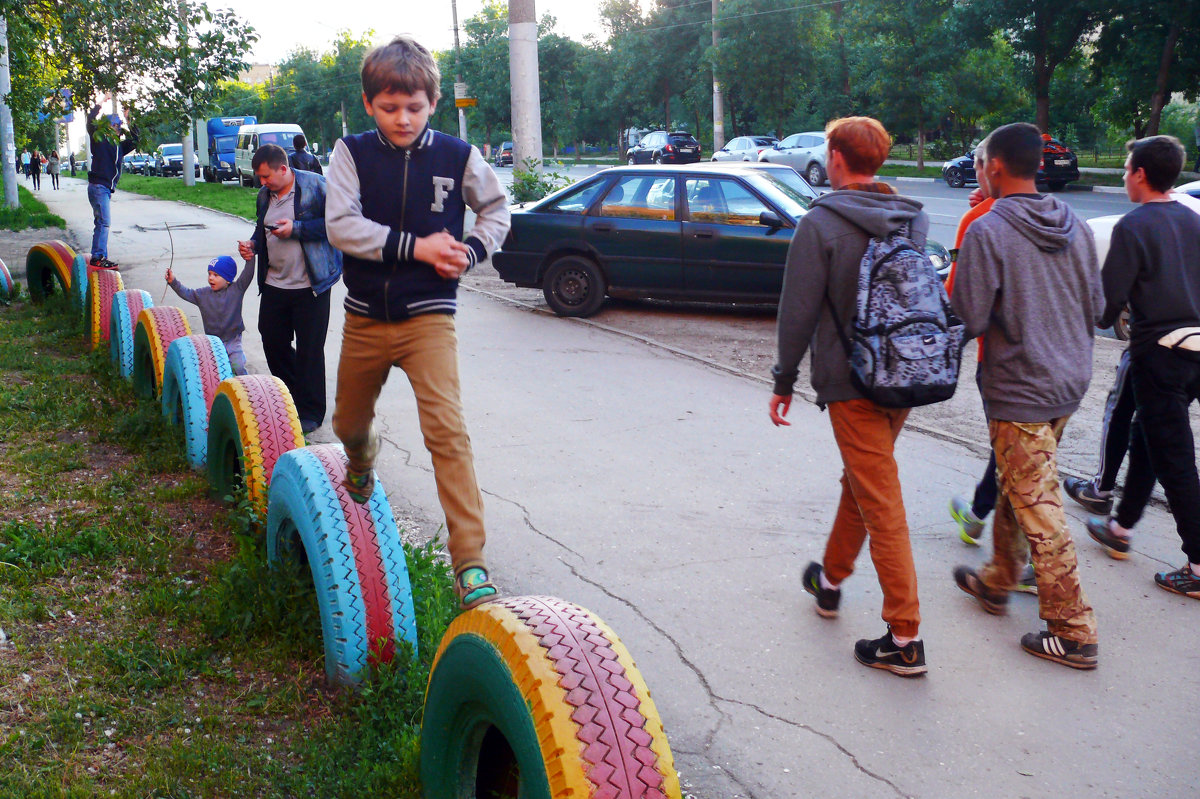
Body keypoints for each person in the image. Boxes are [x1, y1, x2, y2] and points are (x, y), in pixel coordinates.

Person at [325, 35, 511, 611]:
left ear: (432, 102)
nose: (402, 119)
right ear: (368, 103)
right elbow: (342, 227)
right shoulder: (350, 153)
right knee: (347, 422)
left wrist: (472, 251)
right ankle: (361, 459)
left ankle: (471, 562)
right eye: (388, 107)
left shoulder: (456, 156)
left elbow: (498, 208)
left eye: (414, 107)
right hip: (364, 320)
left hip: (430, 318)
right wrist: (419, 247)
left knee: (447, 433)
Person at [769, 116, 929, 677]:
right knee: (864, 480)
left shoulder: (821, 224)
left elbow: (798, 310)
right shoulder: (911, 217)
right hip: (906, 373)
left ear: (836, 157)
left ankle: (905, 636)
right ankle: (831, 580)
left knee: (880, 499)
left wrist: (784, 379)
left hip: (850, 381)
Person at [950, 122, 1101, 670]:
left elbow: (966, 317)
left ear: (992, 166)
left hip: (1020, 387)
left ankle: (1073, 630)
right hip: (1069, 381)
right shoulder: (1076, 225)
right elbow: (1097, 306)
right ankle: (998, 580)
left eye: (980, 162)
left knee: (1039, 503)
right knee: (1021, 481)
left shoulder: (989, 232)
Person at [1094, 135, 1200, 598]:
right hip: (1196, 348)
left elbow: (1107, 304)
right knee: (1148, 433)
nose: (1122, 176)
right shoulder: (1192, 220)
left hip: (1159, 352)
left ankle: (1198, 565)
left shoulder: (1133, 225)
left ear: (1140, 174)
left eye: (1124, 168)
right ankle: (1120, 526)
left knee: (1174, 456)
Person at [236, 143, 341, 434]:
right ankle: (295, 393)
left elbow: (339, 224)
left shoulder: (316, 186)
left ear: (284, 169)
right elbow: (262, 228)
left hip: (311, 285)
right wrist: (253, 245)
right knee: (272, 341)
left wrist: (296, 229)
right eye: (260, 177)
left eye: (267, 176)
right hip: (274, 284)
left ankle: (311, 411)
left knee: (309, 349)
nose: (262, 182)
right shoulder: (263, 196)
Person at [165, 255, 255, 375]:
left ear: (228, 279)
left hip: (233, 340)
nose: (211, 278)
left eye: (216, 275)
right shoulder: (203, 295)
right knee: (215, 372)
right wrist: (173, 282)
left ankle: (245, 389)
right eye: (209, 274)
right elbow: (186, 293)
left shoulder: (236, 290)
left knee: (238, 367)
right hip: (213, 343)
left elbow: (247, 275)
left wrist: (250, 257)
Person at [87, 101, 139, 269]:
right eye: (114, 125)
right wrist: (100, 102)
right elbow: (90, 120)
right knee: (104, 222)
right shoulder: (98, 140)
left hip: (104, 189)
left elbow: (136, 140)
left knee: (100, 222)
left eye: (119, 125)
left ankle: (100, 256)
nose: (117, 128)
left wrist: (129, 118)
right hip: (98, 187)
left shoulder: (119, 146)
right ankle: (98, 257)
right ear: (106, 127)